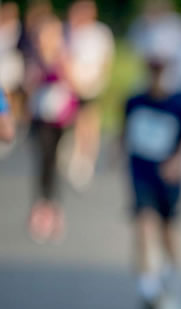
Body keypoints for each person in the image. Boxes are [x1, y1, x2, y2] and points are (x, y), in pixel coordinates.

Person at [121, 56, 181, 309]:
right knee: (143, 222)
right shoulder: (135, 101)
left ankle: (172, 272)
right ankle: (148, 285)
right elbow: (125, 131)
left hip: (168, 175)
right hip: (141, 172)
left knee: (167, 229)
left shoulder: (180, 104)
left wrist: (178, 161)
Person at [24, 14, 79, 243]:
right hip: (39, 116)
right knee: (42, 162)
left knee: (54, 164)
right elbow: (27, 86)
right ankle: (41, 207)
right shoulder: (34, 57)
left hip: (60, 118)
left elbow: (74, 84)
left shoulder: (63, 56)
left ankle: (53, 210)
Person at [63, 0, 114, 191]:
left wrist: (96, 80)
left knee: (89, 122)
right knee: (74, 122)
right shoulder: (70, 31)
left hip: (91, 85)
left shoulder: (99, 33)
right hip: (72, 84)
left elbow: (105, 59)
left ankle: (86, 159)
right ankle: (74, 154)